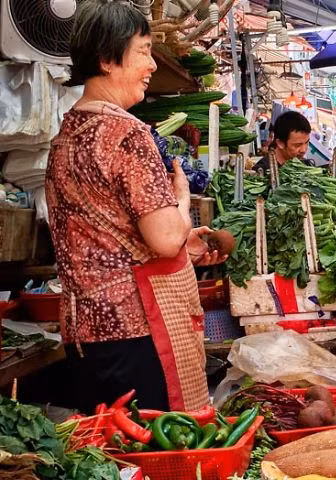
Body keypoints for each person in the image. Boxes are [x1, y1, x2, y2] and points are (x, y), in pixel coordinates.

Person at [46, 0, 225, 412]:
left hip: (82, 332)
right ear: (109, 59)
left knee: (111, 458)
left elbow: (108, 231)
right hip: (135, 331)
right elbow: (163, 239)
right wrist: (181, 202)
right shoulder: (127, 133)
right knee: (152, 457)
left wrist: (183, 242)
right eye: (143, 51)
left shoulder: (65, 136)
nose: (150, 65)